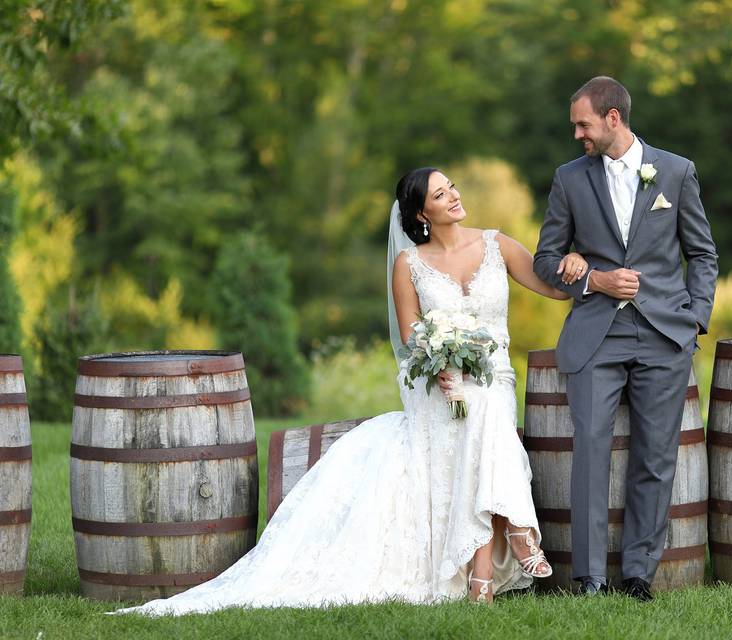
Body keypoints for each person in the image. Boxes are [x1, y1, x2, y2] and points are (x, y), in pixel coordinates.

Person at [113, 167, 587, 615]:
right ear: (421, 215)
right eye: (440, 194)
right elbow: (411, 338)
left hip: (493, 373)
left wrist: (573, 261)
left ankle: (484, 572)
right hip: (432, 380)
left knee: (483, 408)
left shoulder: (496, 244)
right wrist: (441, 366)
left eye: (453, 187)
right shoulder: (410, 264)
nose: (455, 196)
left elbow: (557, 289)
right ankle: (513, 540)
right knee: (479, 417)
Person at [533, 76, 718, 601]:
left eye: (583, 124)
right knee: (589, 451)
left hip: (664, 334)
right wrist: (588, 276)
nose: (577, 134)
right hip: (597, 333)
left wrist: (694, 318)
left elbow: (702, 254)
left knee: (656, 457)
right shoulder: (569, 180)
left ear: (613, 118)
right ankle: (590, 579)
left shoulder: (676, 172)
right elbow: (547, 260)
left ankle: (638, 574)